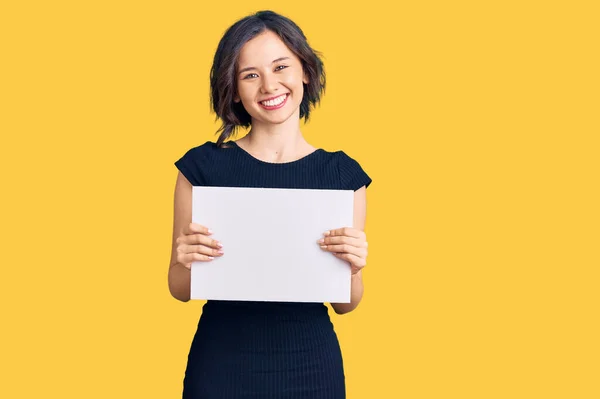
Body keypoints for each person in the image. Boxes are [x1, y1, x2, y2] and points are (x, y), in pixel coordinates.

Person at [169, 10, 372, 398]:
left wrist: (353, 268)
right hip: (221, 364)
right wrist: (184, 258)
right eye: (250, 75)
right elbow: (178, 288)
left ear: (305, 72)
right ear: (233, 88)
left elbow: (346, 304)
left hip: (311, 366)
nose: (269, 85)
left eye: (281, 67)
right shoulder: (201, 167)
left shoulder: (342, 175)